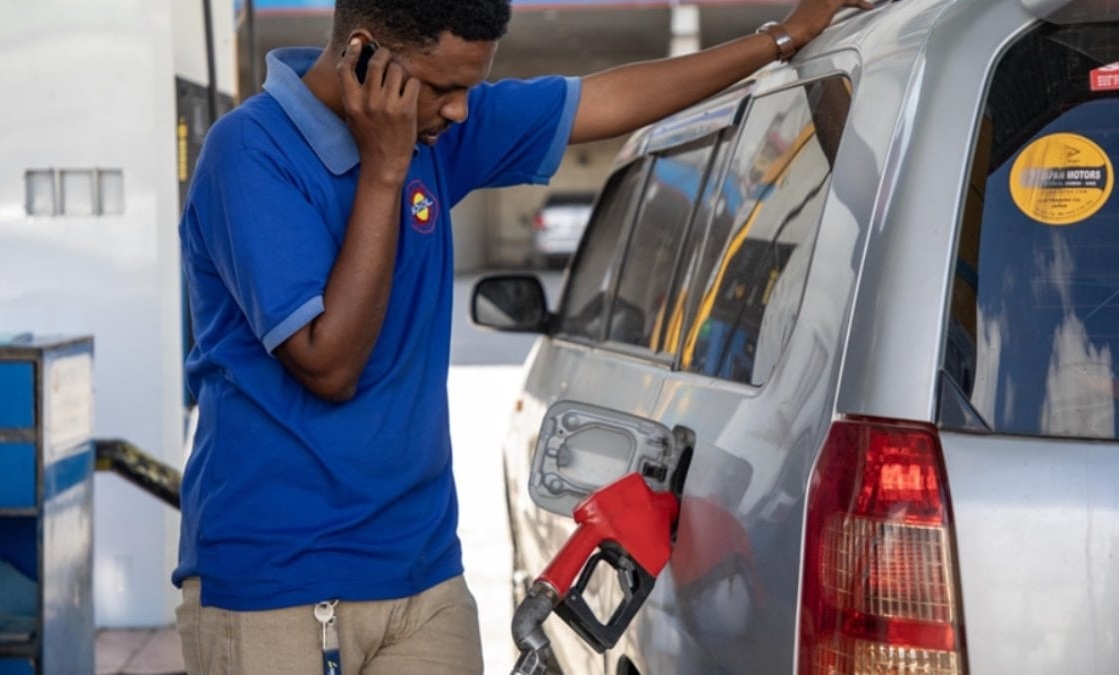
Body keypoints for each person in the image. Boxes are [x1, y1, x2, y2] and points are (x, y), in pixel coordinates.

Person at [172, 0, 870, 671]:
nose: (458, 111)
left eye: (468, 89)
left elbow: (602, 101)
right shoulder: (251, 153)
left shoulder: (437, 129)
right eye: (442, 88)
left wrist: (783, 37)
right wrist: (386, 169)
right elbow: (329, 363)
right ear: (363, 57)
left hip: (422, 575)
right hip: (277, 584)